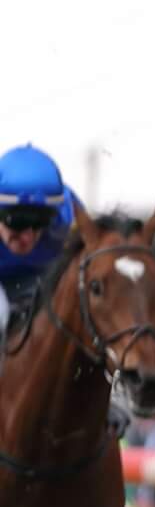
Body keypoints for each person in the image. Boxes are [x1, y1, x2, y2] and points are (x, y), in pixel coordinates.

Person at [0, 143, 80, 374]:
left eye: (40, 222)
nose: (28, 236)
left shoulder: (69, 217)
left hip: (39, 279)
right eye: (19, 221)